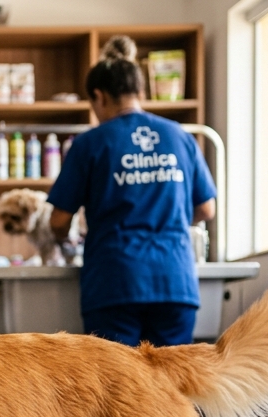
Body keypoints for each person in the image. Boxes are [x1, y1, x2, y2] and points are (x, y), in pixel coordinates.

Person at [47, 36, 216, 348]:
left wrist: (63, 241)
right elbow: (206, 209)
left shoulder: (90, 144)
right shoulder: (180, 137)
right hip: (174, 281)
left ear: (99, 96)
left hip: (115, 281)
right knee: (173, 382)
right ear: (140, 91)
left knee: (117, 387)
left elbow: (59, 219)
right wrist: (170, 216)